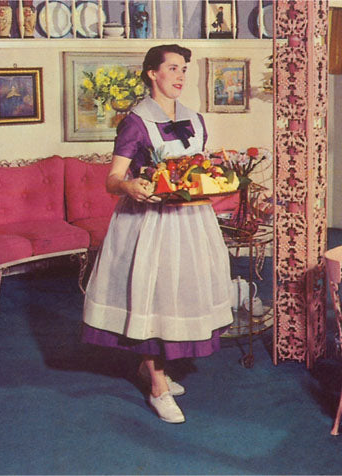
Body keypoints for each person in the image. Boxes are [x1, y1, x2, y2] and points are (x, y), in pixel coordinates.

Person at [82, 44, 233, 424]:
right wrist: (130, 186)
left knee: (177, 295)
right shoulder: (135, 122)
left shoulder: (195, 119)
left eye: (184, 69)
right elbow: (112, 180)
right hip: (149, 223)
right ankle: (158, 386)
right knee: (150, 297)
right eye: (173, 68)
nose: (180, 76)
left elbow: (197, 170)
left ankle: (150, 369)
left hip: (190, 221)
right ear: (152, 73)